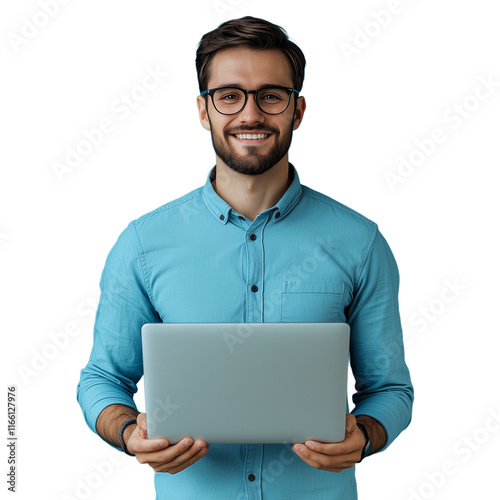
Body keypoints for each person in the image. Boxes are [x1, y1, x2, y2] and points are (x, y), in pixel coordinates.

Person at [77, 16, 413, 499]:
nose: (250, 114)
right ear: (203, 110)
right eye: (229, 95)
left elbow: (390, 390)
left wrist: (367, 436)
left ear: (297, 110)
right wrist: (130, 433)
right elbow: (102, 379)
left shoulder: (360, 243)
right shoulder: (144, 245)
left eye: (270, 96)